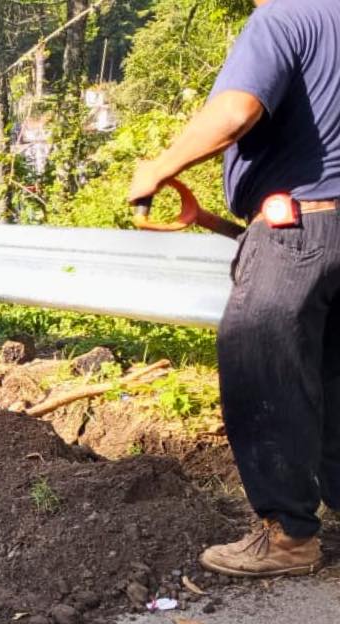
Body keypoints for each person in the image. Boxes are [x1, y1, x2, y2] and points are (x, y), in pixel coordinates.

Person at [129, 0, 340, 577]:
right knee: (332, 372)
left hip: (297, 229)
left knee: (262, 367)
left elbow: (236, 110)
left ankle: (288, 539)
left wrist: (159, 167)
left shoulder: (283, 20)